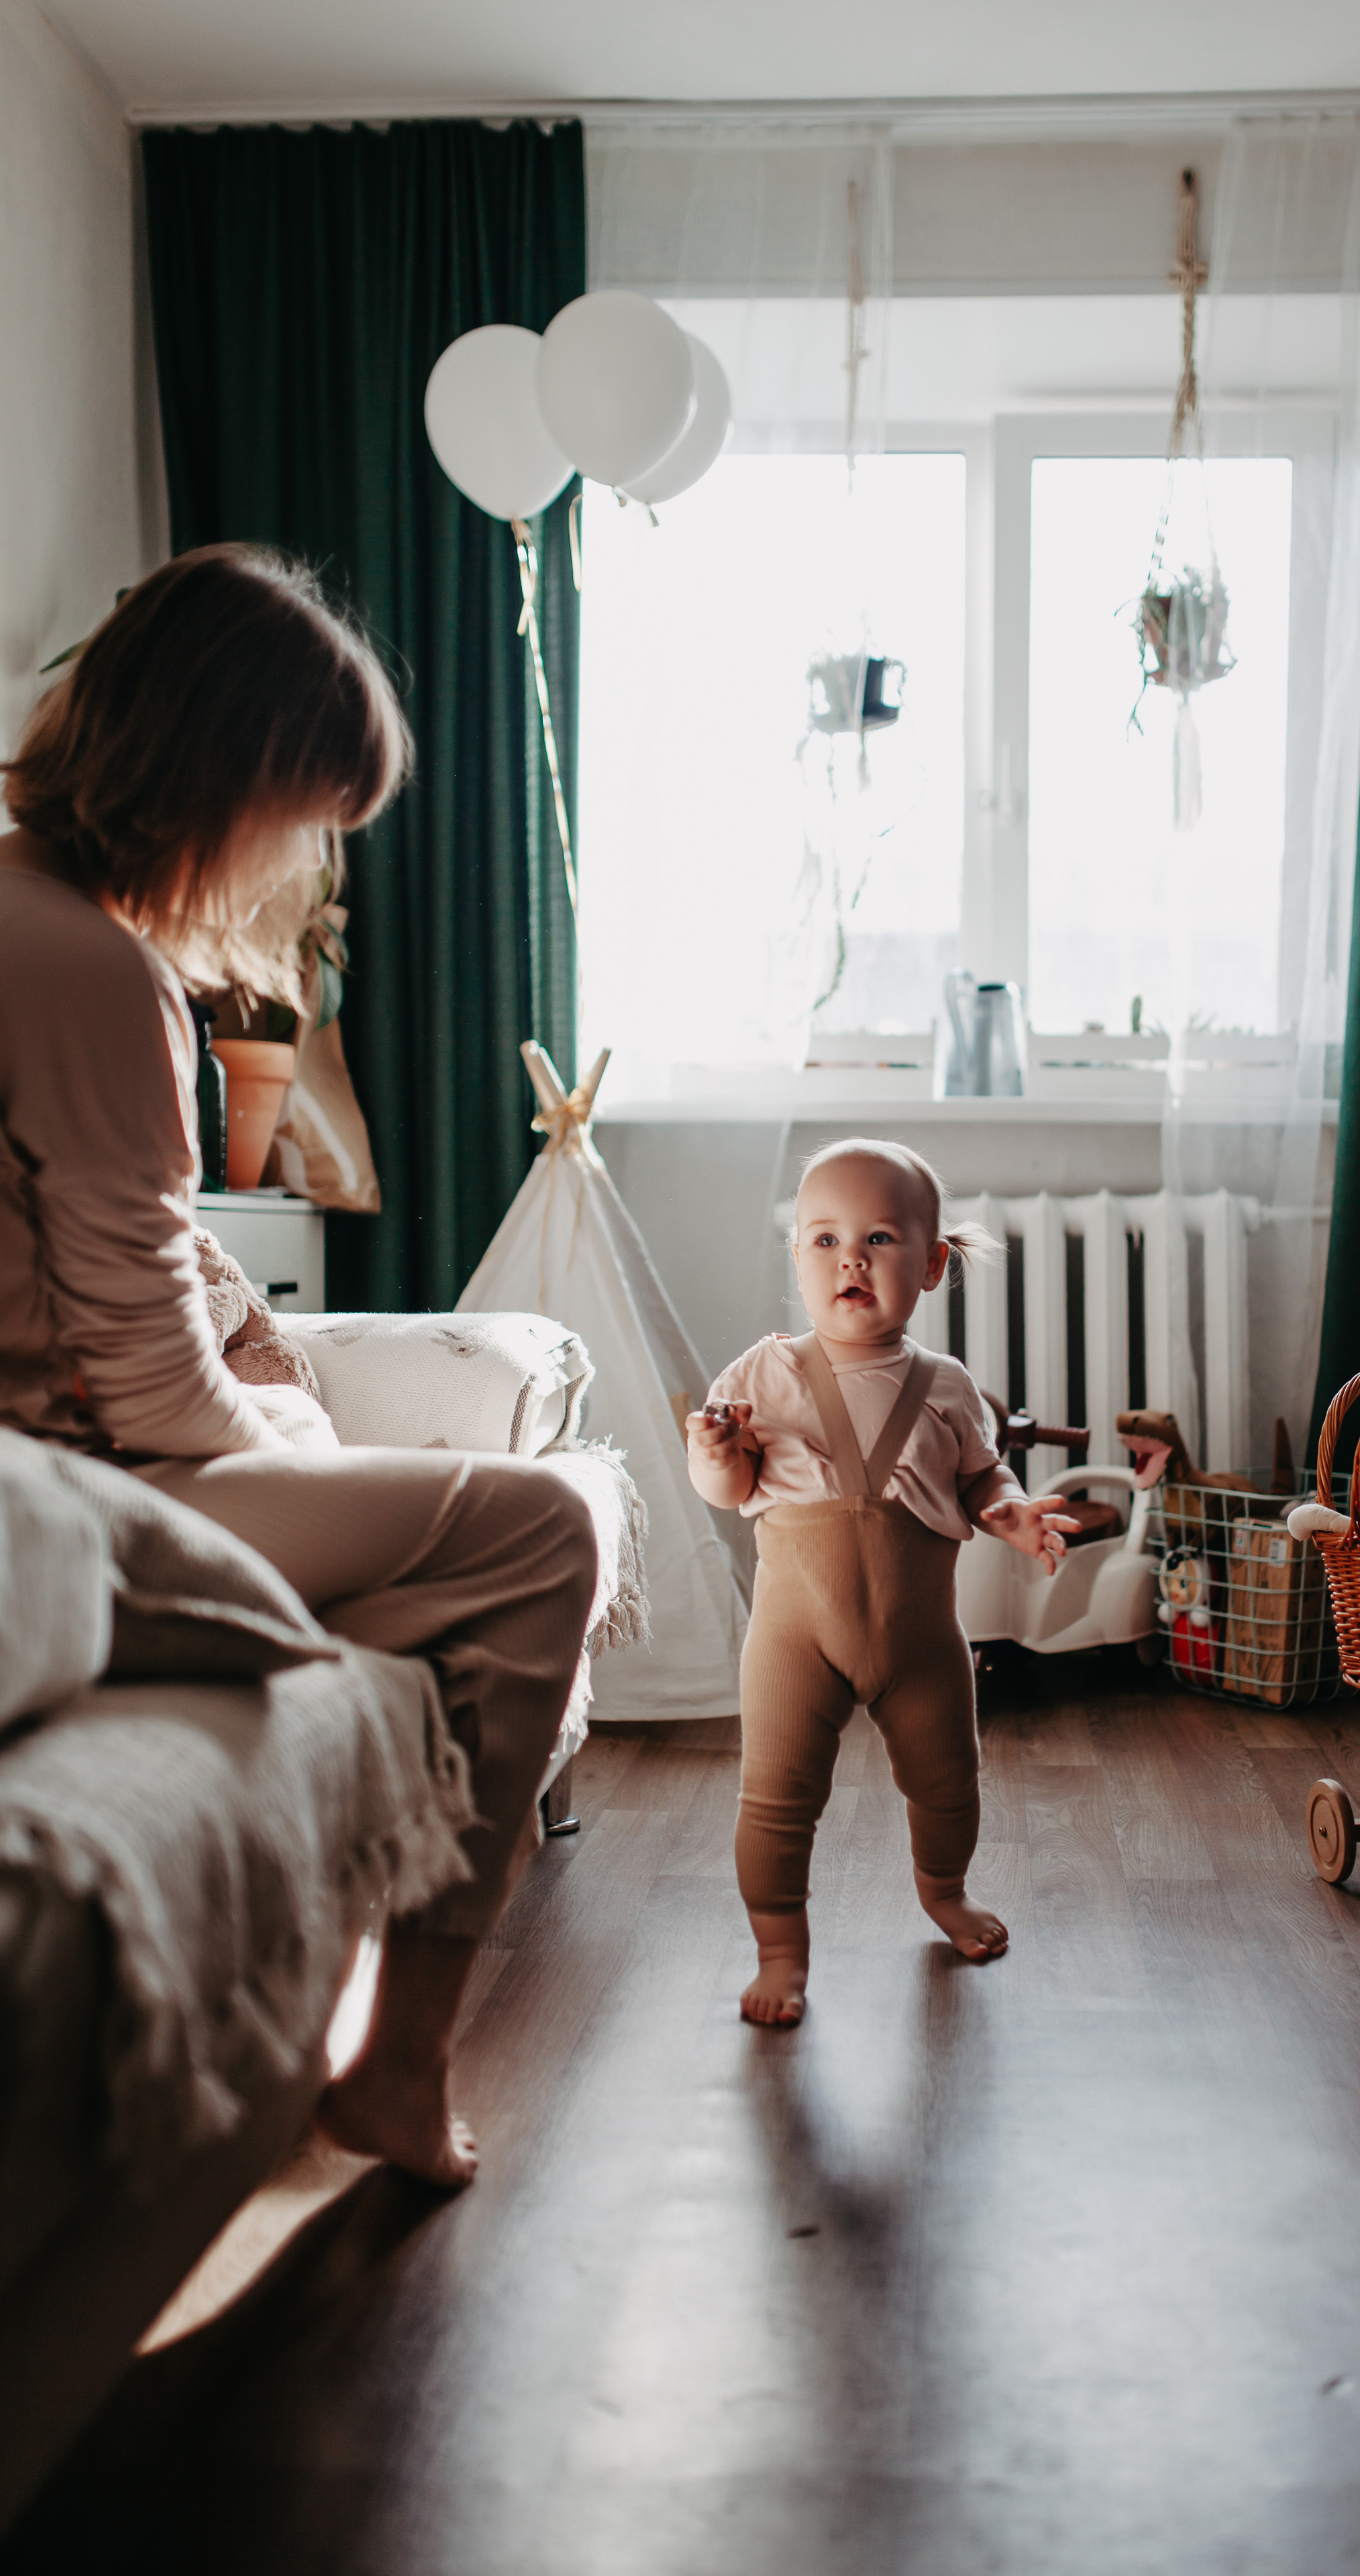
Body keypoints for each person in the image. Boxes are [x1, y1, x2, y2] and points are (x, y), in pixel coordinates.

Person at [0, 545, 597, 2187]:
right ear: (218, 777)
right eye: (302, 811)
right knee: (548, 1531)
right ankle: (396, 2066)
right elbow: (149, 1388)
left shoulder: (35, 921)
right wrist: (288, 1421)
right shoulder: (89, 970)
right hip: (84, 1482)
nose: (303, 859)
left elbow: (118, 1266)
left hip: (74, 1464)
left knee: (433, 1544)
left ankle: (324, 2009)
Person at [686, 1138, 1078, 2027]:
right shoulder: (761, 1376)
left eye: (880, 1239)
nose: (850, 1259)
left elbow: (983, 1478)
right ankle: (781, 1950)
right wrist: (713, 1456)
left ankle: (945, 1891)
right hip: (795, 1639)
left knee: (949, 1781)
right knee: (778, 1798)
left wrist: (1010, 1513)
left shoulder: (948, 1387)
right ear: (797, 1259)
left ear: (933, 1264)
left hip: (921, 1641)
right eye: (823, 1240)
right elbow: (730, 1492)